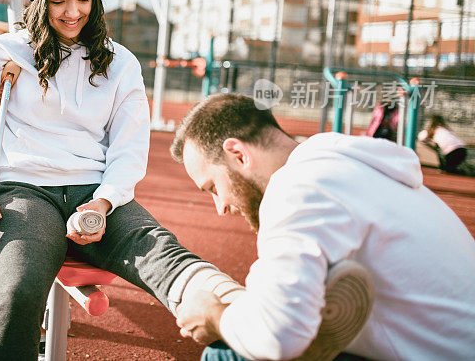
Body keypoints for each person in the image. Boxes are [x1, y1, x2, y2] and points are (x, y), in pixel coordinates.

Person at [0, 0, 243, 360]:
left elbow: (129, 147)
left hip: (96, 193)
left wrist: (103, 203)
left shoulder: (121, 62)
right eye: (59, 0)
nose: (73, 12)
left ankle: (243, 314)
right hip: (24, 194)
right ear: (38, 1)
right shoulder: (2, 52)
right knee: (20, 292)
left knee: (159, 249)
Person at [170, 93, 475, 361]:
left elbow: (278, 335)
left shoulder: (299, 189)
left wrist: (213, 315)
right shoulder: (343, 167)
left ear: (238, 153)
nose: (220, 207)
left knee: (223, 355)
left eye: (212, 187)